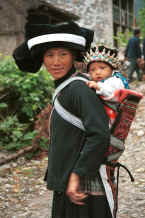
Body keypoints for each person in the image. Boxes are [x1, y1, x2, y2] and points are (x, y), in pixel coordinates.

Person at [13, 14, 112, 218]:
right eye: (50, 55)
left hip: (82, 189)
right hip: (69, 183)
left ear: (74, 56)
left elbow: (100, 134)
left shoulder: (79, 89)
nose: (56, 62)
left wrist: (77, 175)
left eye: (63, 54)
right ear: (42, 58)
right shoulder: (65, 89)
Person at [84, 45, 129, 125]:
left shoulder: (116, 80)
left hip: (114, 118)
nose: (97, 72)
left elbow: (112, 93)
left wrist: (98, 87)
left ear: (112, 68)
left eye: (102, 68)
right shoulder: (100, 80)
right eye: (92, 70)